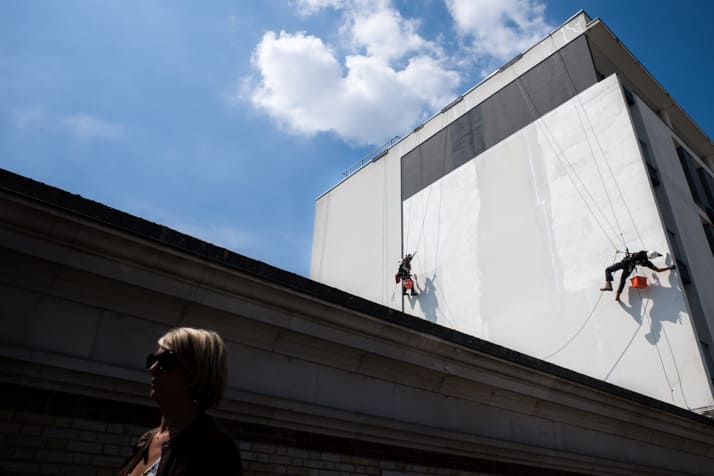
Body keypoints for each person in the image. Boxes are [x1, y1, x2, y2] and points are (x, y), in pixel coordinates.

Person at [118, 327, 243, 475]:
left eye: (165, 361)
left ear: (194, 373)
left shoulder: (215, 447)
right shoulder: (146, 440)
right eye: (153, 360)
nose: (153, 368)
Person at [599, 250, 675, 301]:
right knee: (622, 280)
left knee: (608, 270)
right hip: (629, 267)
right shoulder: (647, 262)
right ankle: (617, 293)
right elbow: (657, 270)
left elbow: (651, 254)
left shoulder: (641, 253)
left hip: (624, 264)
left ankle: (609, 285)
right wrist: (669, 268)